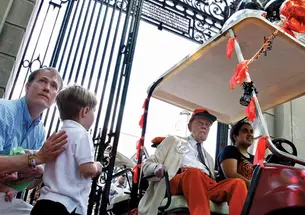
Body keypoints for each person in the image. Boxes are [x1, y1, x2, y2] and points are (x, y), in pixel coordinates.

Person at [138, 109, 248, 215]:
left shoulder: (209, 158)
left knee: (238, 183)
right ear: (190, 126)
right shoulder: (173, 141)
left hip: (205, 182)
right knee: (194, 173)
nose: (205, 126)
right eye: (200, 122)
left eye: (208, 125)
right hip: (178, 179)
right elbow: (148, 164)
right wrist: (156, 168)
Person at [0, 67, 67, 215]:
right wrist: (36, 158)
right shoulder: (3, 110)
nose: (47, 88)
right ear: (28, 86)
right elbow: (34, 159)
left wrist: (37, 173)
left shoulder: (39, 131)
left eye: (54, 86)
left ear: (55, 97)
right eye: (42, 81)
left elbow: (28, 185)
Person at [31, 85, 103, 215]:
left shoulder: (58, 135)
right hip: (67, 206)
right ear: (85, 111)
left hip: (44, 201)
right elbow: (86, 169)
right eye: (94, 111)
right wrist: (97, 166)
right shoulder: (82, 135)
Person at [217, 120, 254, 186]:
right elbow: (232, 175)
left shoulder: (254, 158)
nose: (250, 134)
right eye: (245, 131)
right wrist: (254, 187)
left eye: (251, 132)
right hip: (231, 193)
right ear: (235, 136)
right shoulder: (229, 150)